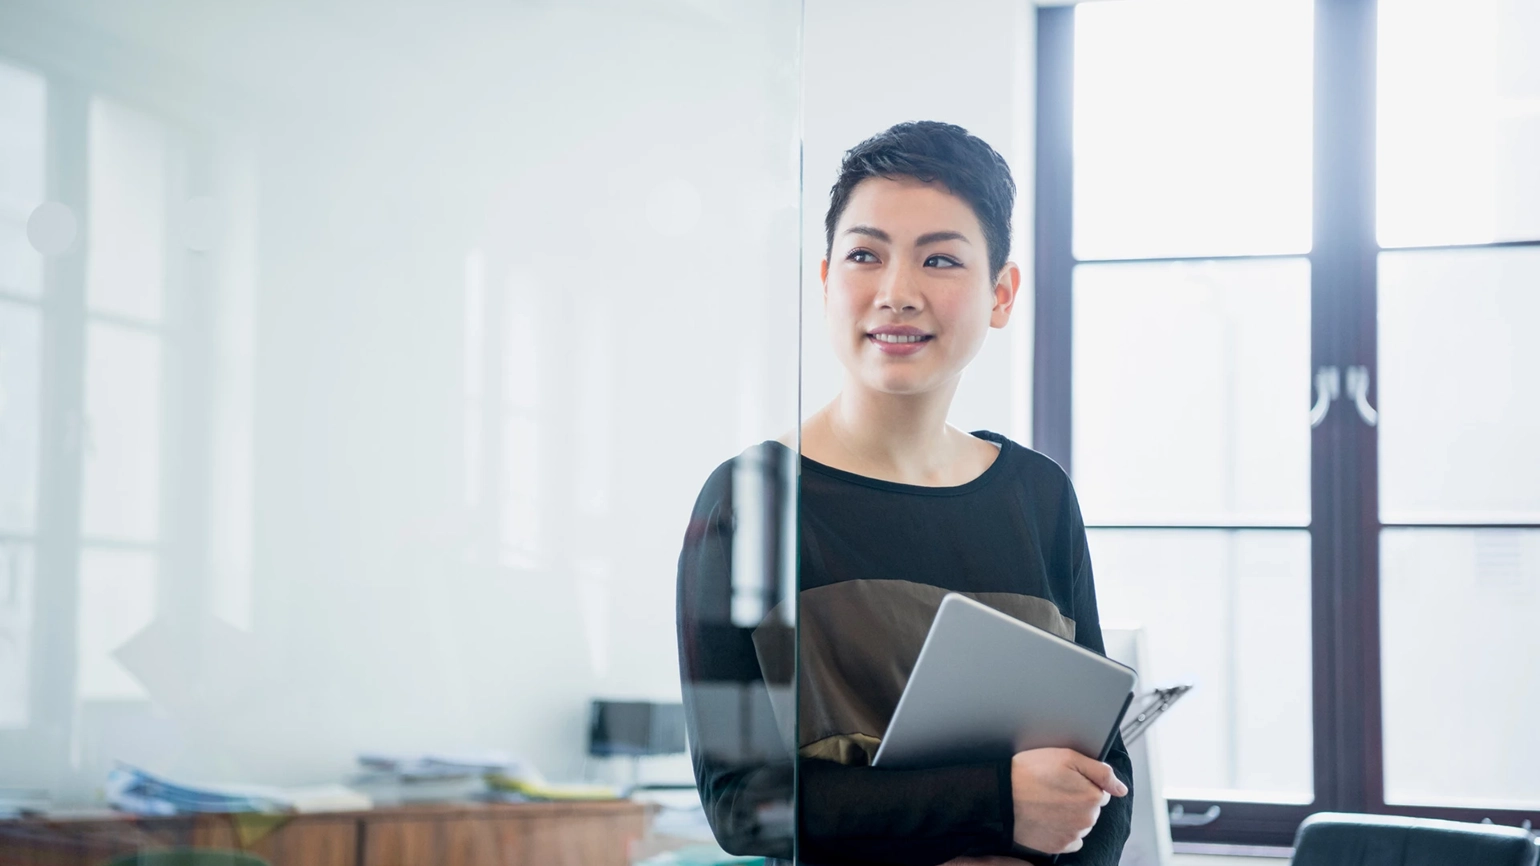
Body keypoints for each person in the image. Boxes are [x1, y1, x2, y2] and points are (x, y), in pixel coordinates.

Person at [677, 121, 1132, 866]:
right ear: (826, 280)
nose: (897, 293)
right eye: (865, 255)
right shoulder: (747, 501)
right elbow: (744, 806)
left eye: (941, 259)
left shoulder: (1039, 497)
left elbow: (1107, 787)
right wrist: (997, 803)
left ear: (1001, 293)